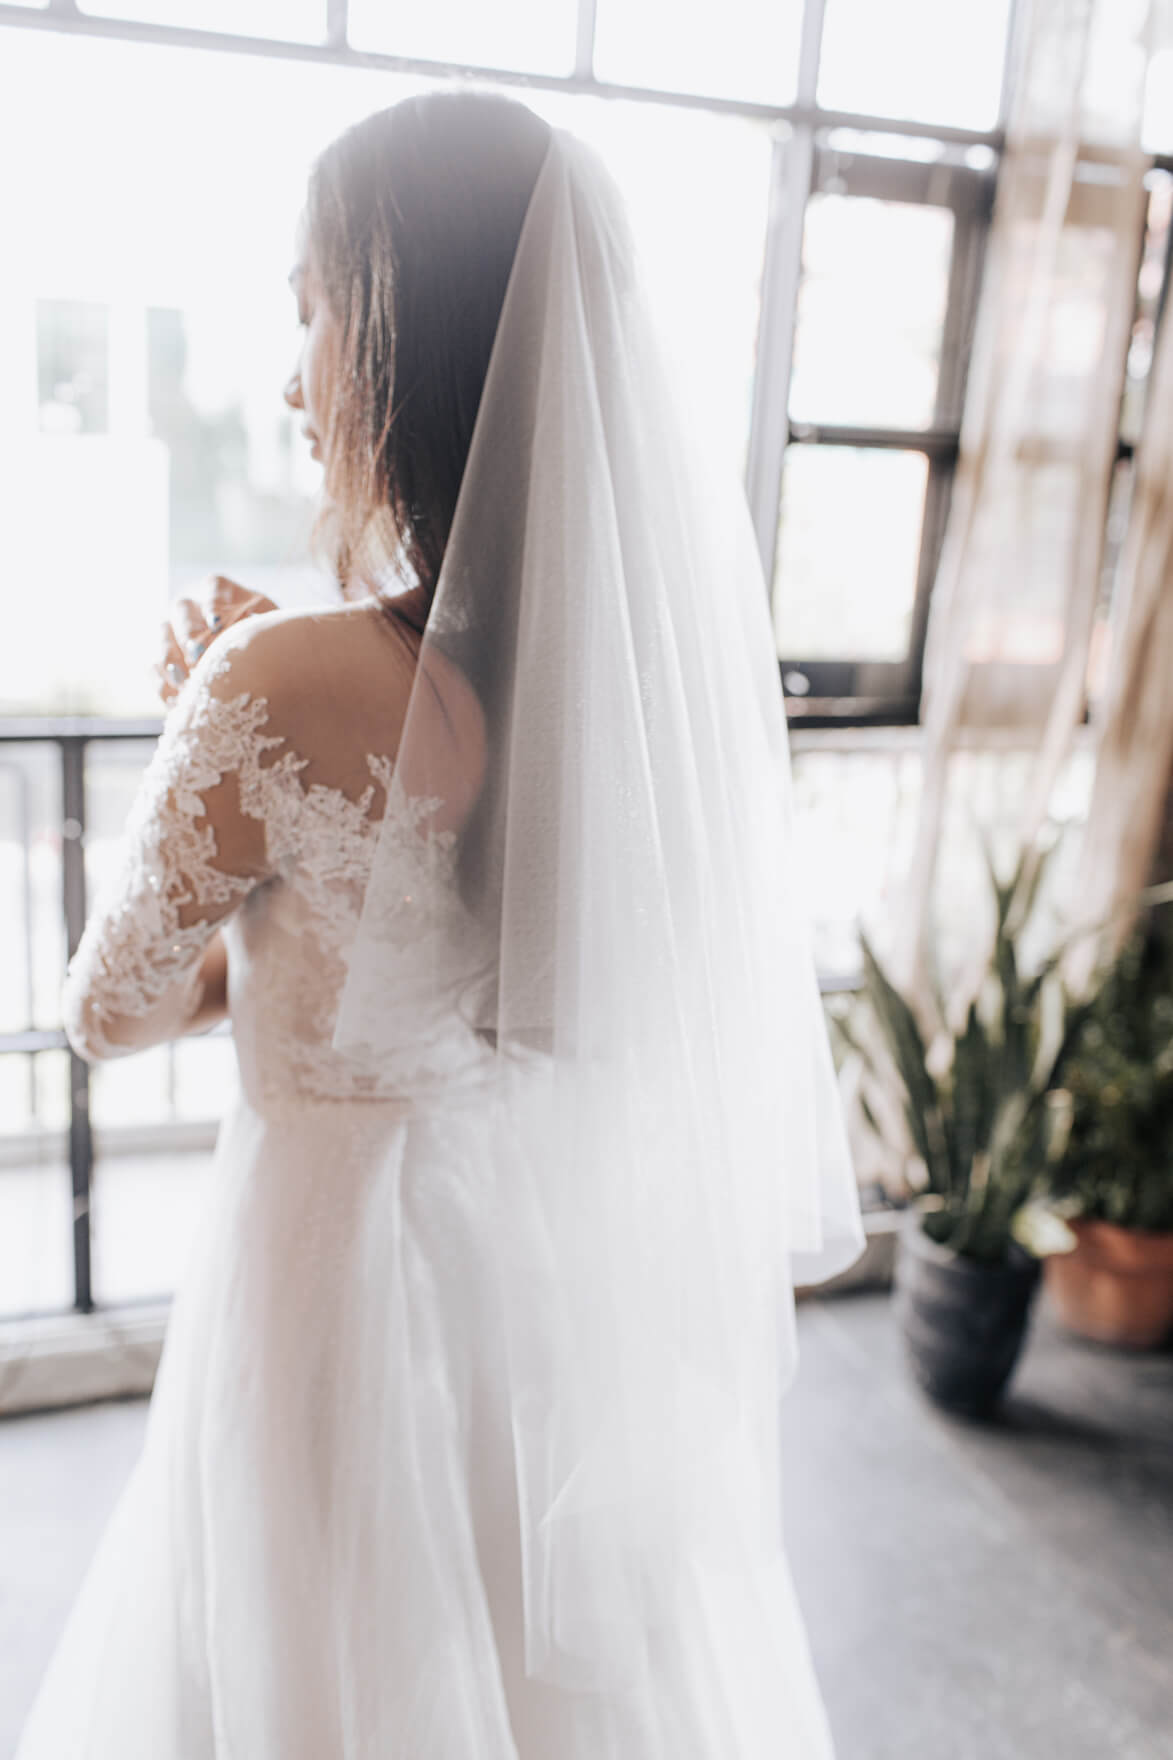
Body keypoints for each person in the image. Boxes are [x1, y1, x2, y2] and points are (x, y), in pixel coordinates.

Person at [16, 89, 866, 1758]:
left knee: (318, 1650)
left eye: (311, 308)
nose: (288, 372)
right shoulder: (599, 689)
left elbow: (104, 1008)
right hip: (513, 1254)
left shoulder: (274, 678)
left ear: (401, 328)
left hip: (323, 1268)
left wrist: (207, 742)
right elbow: (566, 981)